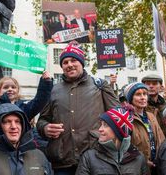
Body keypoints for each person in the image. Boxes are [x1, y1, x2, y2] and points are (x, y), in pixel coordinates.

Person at [37, 41, 119, 174]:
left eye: (73, 60)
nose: (69, 65)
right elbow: (41, 121)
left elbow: (117, 117)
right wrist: (45, 128)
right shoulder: (54, 90)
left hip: (96, 159)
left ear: (82, 63)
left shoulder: (99, 85)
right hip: (63, 162)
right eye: (65, 62)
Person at [76, 107, 149, 175]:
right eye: (101, 125)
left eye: (106, 125)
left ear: (118, 131)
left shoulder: (139, 158)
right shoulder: (89, 157)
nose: (100, 129)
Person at [124, 82, 165, 173]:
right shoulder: (127, 119)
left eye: (145, 94)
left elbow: (161, 139)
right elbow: (125, 148)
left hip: (157, 166)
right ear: (130, 99)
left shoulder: (151, 116)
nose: (143, 97)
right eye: (138, 94)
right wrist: (144, 161)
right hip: (138, 168)